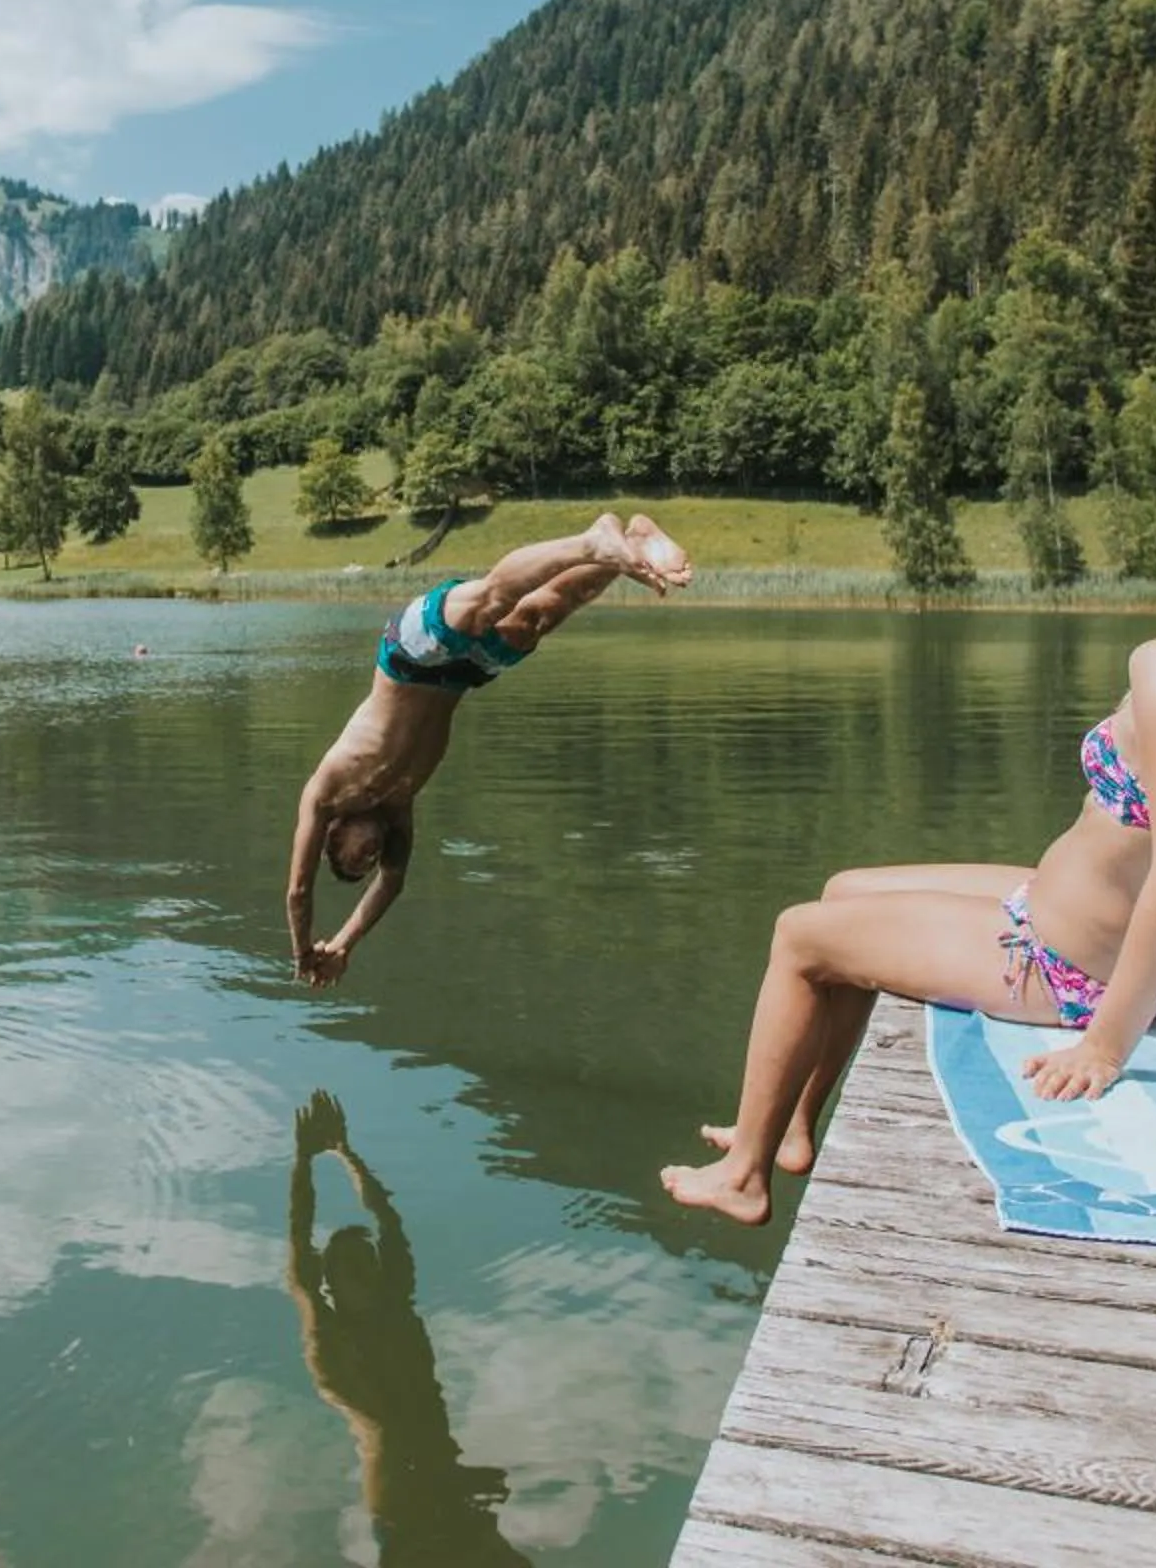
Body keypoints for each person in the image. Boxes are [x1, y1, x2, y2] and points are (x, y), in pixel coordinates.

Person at [661, 459, 1156, 1227]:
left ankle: (743, 1172)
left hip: (1063, 971)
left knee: (799, 935)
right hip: (1113, 945)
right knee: (846, 890)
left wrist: (1104, 1045)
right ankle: (789, 1126)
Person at [288, 513, 691, 985]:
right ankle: (626, 545)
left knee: (490, 600)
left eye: (354, 857)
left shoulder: (325, 794)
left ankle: (593, 540)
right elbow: (391, 884)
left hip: (408, 657)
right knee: (537, 618)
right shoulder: (398, 807)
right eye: (367, 864)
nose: (370, 858)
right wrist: (343, 945)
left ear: (333, 838)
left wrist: (303, 955)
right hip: (461, 675)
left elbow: (298, 891)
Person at [284, 1093, 528, 1566]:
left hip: (447, 1481)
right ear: (331, 1283)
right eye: (352, 1269)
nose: (368, 1273)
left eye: (369, 1264)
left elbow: (388, 1220)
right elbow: (299, 1244)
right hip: (404, 1508)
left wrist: (345, 1152)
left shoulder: (396, 1311)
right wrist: (303, 1162)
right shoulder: (332, 1345)